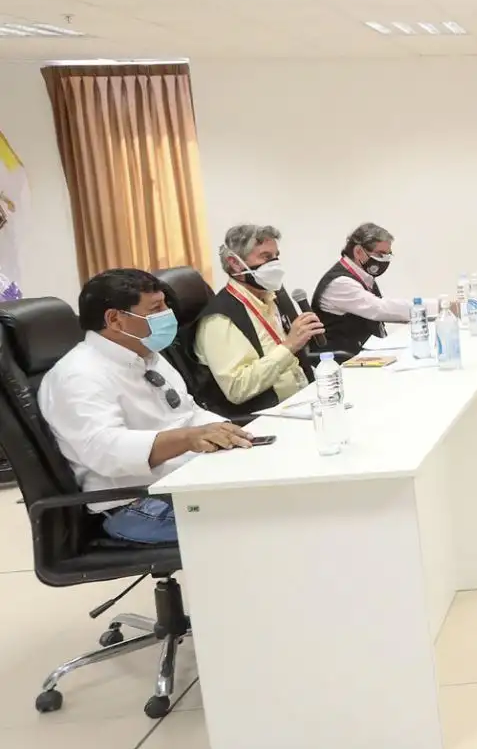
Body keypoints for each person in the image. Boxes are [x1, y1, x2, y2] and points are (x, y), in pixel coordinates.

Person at [39, 269, 254, 544]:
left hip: (183, 481)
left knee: (282, 496)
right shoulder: (78, 375)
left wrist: (231, 434)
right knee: (262, 520)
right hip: (133, 504)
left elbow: (188, 412)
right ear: (115, 319)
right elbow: (105, 451)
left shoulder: (146, 353)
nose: (168, 314)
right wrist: (187, 439)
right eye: (156, 308)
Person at [195, 223, 322, 417]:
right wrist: (289, 346)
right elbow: (237, 389)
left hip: (303, 400)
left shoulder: (270, 298)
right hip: (267, 416)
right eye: (266, 257)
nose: (275, 264)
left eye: (276, 256)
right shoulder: (219, 319)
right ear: (235, 263)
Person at [314, 221, 417, 358]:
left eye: (388, 255)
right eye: (380, 254)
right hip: (345, 360)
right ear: (358, 252)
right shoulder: (340, 283)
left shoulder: (364, 276)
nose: (384, 261)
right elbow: (380, 309)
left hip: (366, 353)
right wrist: (436, 307)